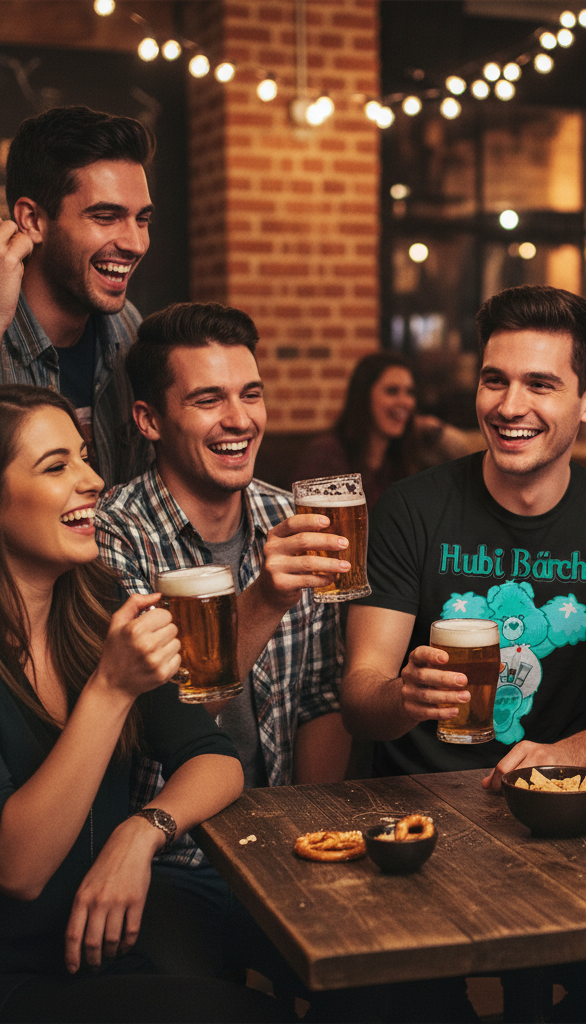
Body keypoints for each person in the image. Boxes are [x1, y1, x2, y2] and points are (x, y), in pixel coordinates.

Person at [0, 385, 290, 1023]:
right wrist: (111, 689)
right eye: (57, 467)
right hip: (18, 976)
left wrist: (141, 832)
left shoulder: (91, 613)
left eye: (83, 457)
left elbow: (215, 759)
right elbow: (18, 867)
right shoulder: (106, 659)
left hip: (105, 954)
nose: (92, 479)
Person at [93, 301, 349, 980]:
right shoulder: (113, 536)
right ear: (149, 419)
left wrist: (315, 838)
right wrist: (264, 598)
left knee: (393, 998)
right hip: (172, 857)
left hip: (289, 848)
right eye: (209, 399)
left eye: (251, 394)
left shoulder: (290, 515)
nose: (240, 420)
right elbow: (158, 724)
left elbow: (322, 698)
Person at [340, 284, 586, 787]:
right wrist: (403, 697)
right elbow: (359, 699)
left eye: (540, 385)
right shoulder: (410, 508)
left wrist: (573, 751)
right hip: (413, 800)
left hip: (546, 797)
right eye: (494, 380)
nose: (509, 407)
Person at [1, 106, 156, 487]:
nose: (135, 243)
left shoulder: (129, 327)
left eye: (142, 219)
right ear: (33, 220)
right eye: (106, 217)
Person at [294, 351, 475, 509]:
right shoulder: (328, 453)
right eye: (392, 391)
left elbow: (467, 460)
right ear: (364, 397)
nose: (405, 402)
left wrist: (435, 428)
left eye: (410, 392)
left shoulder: (403, 458)